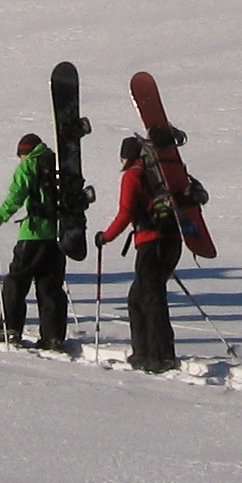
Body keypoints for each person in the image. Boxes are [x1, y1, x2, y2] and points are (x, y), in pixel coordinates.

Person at [95, 136, 178, 371]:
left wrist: (106, 237)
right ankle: (144, 352)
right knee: (140, 297)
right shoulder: (161, 173)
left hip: (151, 242)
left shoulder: (133, 175)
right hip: (173, 240)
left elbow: (126, 212)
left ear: (128, 156)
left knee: (150, 299)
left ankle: (159, 357)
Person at [0, 132, 68, 349]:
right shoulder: (56, 163)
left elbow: (16, 196)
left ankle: (10, 328)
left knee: (16, 282)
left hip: (33, 234)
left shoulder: (29, 166)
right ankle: (53, 336)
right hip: (57, 235)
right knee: (50, 287)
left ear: (25, 152)